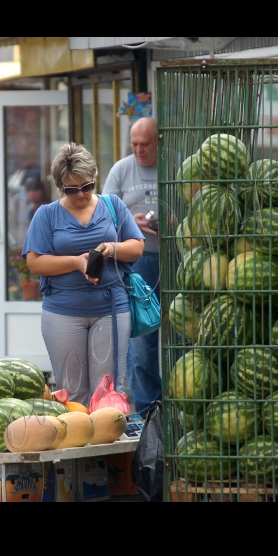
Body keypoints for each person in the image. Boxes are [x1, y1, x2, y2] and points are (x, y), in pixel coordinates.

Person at [24, 143, 145, 408]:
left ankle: (108, 450)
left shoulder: (112, 205)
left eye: (87, 186)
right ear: (60, 187)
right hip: (63, 312)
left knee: (108, 391)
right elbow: (35, 263)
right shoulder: (46, 214)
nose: (81, 194)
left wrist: (112, 248)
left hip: (111, 308)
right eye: (71, 189)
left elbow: (137, 246)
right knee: (73, 391)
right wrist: (77, 263)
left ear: (95, 179)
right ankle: (80, 448)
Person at [103, 117, 161, 418]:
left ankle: (171, 404)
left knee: (177, 338)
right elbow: (102, 216)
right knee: (141, 341)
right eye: (134, 144)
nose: (138, 150)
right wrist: (129, 222)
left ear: (158, 141)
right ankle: (148, 410)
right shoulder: (122, 170)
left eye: (145, 144)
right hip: (136, 266)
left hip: (174, 261)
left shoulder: (172, 166)